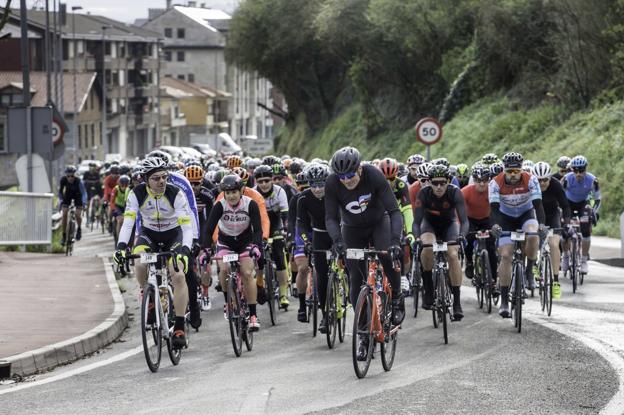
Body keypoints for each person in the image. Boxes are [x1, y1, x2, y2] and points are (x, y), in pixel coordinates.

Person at [325, 147, 405, 361]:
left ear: (360, 169)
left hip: (379, 223)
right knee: (355, 279)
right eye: (342, 176)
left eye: (350, 175)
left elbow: (394, 211)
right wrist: (338, 242)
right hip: (352, 229)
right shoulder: (332, 183)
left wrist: (396, 241)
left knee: (386, 255)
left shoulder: (374, 175)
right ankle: (363, 335)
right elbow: (331, 218)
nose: (346, 180)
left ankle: (396, 296)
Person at [113, 157, 192, 348]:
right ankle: (147, 295)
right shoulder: (136, 193)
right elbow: (129, 222)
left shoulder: (176, 193)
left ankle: (180, 326)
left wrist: (185, 250)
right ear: (146, 179)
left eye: (164, 177)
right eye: (156, 178)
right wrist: (121, 247)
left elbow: (187, 227)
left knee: (179, 276)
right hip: (149, 235)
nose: (162, 181)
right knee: (139, 263)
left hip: (174, 235)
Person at [489, 152, 546, 318]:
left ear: (521, 169)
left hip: (525, 214)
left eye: (516, 171)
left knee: (533, 234)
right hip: (505, 218)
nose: (513, 175)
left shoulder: (531, 179)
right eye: (509, 171)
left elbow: (538, 205)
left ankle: (529, 271)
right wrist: (496, 225)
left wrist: (541, 224)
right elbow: (493, 210)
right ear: (504, 170)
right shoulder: (495, 183)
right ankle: (505, 300)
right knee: (506, 255)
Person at [204, 174, 263, 331]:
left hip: (245, 242)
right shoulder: (220, 205)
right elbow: (209, 229)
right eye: (227, 193)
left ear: (241, 191)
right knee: (224, 269)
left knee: (247, 273)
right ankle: (228, 302)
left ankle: (253, 315)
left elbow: (257, 229)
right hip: (226, 242)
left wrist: (256, 246)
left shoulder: (251, 204)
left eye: (234, 192)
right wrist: (205, 249)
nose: (231, 196)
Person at [413, 164, 469, 320]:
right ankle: (429, 289)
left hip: (449, 225)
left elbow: (464, 221)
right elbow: (417, 223)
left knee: (452, 254)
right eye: (435, 182)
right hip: (429, 225)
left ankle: (457, 302)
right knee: (427, 248)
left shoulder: (455, 192)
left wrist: (462, 236)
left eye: (442, 183)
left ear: (449, 181)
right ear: (429, 182)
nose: (439, 187)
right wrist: (417, 238)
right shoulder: (423, 193)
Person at [296, 164, 333, 331]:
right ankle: (325, 315)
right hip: (319, 235)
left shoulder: (336, 192)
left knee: (351, 269)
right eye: (313, 185)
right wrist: (307, 242)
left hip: (339, 232)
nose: (317, 189)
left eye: (321, 184)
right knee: (322, 277)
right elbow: (301, 224)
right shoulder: (303, 198)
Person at [253, 165, 291, 309]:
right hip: (260, 223)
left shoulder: (279, 191)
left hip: (275, 223)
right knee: (258, 258)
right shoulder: (253, 193)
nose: (263, 184)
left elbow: (285, 215)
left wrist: (286, 231)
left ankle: (282, 294)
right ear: (256, 181)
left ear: (272, 181)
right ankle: (260, 284)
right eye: (260, 181)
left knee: (280, 257)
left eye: (267, 181)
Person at [533, 161, 570, 299]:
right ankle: (534, 263)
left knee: (554, 244)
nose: (542, 183)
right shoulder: (530, 186)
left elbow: (565, 206)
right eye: (538, 180)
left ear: (550, 178)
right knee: (534, 240)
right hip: (535, 216)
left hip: (553, 215)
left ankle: (555, 282)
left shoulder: (555, 185)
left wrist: (566, 223)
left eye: (545, 180)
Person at [461, 164, 499, 294]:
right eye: (478, 181)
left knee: (491, 248)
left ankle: (493, 281)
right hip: (470, 219)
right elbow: (459, 212)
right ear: (474, 180)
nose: (482, 184)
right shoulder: (465, 191)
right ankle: (470, 262)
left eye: (485, 180)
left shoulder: (493, 190)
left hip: (487, 219)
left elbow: (497, 210)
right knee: (469, 238)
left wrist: (496, 225)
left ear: (489, 180)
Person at [561, 155, 601, 274]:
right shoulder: (566, 179)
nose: (578, 174)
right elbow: (559, 196)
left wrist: (594, 212)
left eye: (581, 170)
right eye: (575, 170)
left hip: (583, 203)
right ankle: (566, 256)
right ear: (572, 170)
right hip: (568, 204)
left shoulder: (593, 180)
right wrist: (559, 211)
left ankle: (583, 261)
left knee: (585, 230)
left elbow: (598, 198)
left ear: (586, 169)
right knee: (564, 231)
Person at [186, 164, 215, 311]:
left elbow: (212, 219)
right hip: (188, 230)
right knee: (189, 264)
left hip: (204, 228)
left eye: (196, 183)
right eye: (189, 183)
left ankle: (205, 294)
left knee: (205, 262)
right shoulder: (181, 194)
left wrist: (211, 239)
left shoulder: (207, 196)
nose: (193, 186)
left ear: (202, 182)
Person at [59, 165, 87, 245]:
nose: (70, 178)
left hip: (78, 196)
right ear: (66, 176)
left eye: (72, 176)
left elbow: (84, 193)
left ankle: (79, 228)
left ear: (75, 175)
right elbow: (60, 192)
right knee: (64, 214)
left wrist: (84, 202)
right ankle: (64, 235)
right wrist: (60, 201)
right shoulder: (63, 180)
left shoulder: (79, 181)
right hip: (68, 195)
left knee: (77, 214)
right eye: (68, 176)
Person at [109, 175, 131, 241]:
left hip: (126, 206)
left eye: (126, 185)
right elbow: (112, 201)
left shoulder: (130, 189)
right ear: (120, 184)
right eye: (122, 186)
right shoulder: (115, 189)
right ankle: (119, 240)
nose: (124, 187)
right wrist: (113, 209)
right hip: (117, 206)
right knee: (120, 221)